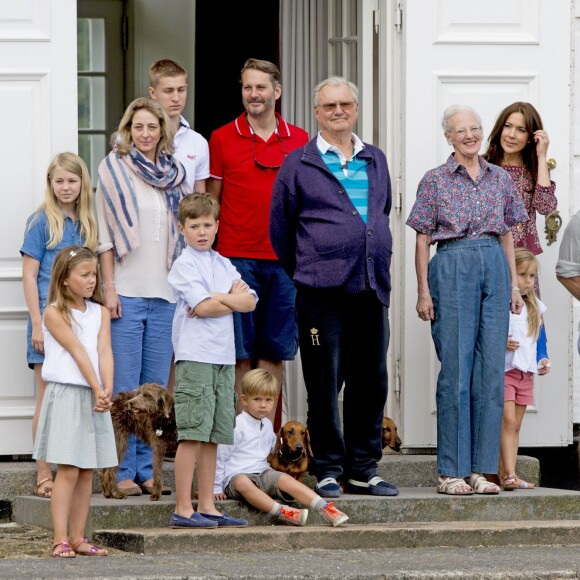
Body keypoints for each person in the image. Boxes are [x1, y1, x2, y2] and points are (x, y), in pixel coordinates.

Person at [270, 76, 398, 499]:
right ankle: (327, 467)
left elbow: (381, 212)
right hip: (320, 296)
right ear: (317, 112)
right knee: (325, 384)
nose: (338, 111)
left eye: (345, 104)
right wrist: (312, 269)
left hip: (369, 289)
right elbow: (281, 231)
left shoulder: (375, 159)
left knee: (371, 381)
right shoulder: (299, 163)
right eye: (329, 106)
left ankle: (363, 468)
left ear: (356, 110)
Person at [406, 104, 528, 495]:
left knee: (491, 372)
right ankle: (451, 471)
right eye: (462, 130)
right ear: (449, 137)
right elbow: (422, 238)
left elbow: (508, 232)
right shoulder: (435, 179)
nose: (471, 135)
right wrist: (424, 291)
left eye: (475, 128)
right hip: (453, 262)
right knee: (457, 371)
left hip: (493, 261)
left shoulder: (499, 178)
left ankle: (481, 469)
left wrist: (513, 285)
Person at [95, 97, 189, 497]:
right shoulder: (112, 170)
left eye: (152, 127)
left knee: (153, 393)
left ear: (162, 132)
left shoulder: (176, 174)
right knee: (127, 390)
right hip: (128, 292)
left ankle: (150, 471)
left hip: (166, 293)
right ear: (128, 130)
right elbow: (102, 235)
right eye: (138, 127)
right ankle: (121, 471)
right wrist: (109, 288)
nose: (145, 134)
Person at [207, 58, 309, 426]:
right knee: (239, 352)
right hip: (236, 258)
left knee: (274, 351)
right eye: (248, 87)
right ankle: (238, 438)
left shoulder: (299, 139)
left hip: (284, 260)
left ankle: (269, 439)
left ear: (276, 92)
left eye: (261, 87)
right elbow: (212, 201)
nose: (253, 94)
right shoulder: (220, 138)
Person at [167, 192, 256, 529]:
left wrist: (219, 296)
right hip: (195, 356)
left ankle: (208, 506)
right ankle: (183, 508)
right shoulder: (184, 264)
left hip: (223, 357)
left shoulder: (222, 263)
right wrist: (230, 298)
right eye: (194, 226)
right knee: (192, 433)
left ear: (217, 226)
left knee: (213, 435)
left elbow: (249, 302)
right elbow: (200, 308)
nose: (201, 231)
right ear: (182, 228)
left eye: (207, 225)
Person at [20, 152, 98, 499]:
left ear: (82, 184)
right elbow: (29, 274)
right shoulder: (41, 222)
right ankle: (43, 472)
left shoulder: (87, 224)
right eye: (59, 181)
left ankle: (74, 466)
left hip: (80, 323)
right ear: (50, 185)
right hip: (48, 322)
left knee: (76, 398)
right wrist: (37, 323)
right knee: (47, 398)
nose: (66, 187)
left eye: (72, 180)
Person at [32, 245, 116, 557]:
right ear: (65, 279)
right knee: (67, 469)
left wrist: (107, 388)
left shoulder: (100, 312)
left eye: (94, 274)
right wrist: (96, 388)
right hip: (69, 394)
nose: (92, 280)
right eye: (85, 274)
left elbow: (103, 350)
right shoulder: (54, 312)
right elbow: (77, 351)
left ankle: (79, 537)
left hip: (94, 395)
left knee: (86, 471)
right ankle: (59, 538)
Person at [214, 368, 349, 527]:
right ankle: (285, 512)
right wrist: (216, 487)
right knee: (242, 482)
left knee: (284, 478)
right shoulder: (237, 426)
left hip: (263, 473)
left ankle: (326, 508)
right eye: (257, 399)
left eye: (268, 400)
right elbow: (219, 456)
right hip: (236, 477)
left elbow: (274, 447)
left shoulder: (267, 424)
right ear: (244, 399)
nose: (263, 405)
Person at [483, 101, 557, 295]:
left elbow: (546, 206)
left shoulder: (535, 170)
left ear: (531, 137)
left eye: (521, 129)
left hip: (522, 261)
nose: (511, 135)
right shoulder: (482, 166)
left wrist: (541, 158)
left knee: (525, 321)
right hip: (487, 256)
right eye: (507, 126)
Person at [500, 248, 550, 491]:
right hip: (505, 371)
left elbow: (540, 338)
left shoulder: (534, 307)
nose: (528, 281)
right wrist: (500, 342)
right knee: (507, 421)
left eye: (532, 277)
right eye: (522, 275)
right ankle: (507, 473)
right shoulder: (501, 303)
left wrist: (543, 358)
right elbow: (487, 332)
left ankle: (508, 472)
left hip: (525, 374)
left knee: (516, 425)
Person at [148, 59, 209, 194]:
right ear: (153, 93)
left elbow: (200, 199)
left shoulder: (198, 143)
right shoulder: (134, 137)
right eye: (169, 91)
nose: (176, 98)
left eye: (181, 90)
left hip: (185, 214)